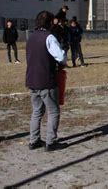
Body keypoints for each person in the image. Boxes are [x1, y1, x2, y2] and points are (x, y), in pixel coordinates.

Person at [26, 11, 67, 152]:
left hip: (32, 80)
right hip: (46, 80)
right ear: (49, 23)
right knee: (54, 111)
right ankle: (51, 141)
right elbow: (60, 57)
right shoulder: (49, 37)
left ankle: (34, 140)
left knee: (36, 111)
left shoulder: (31, 37)